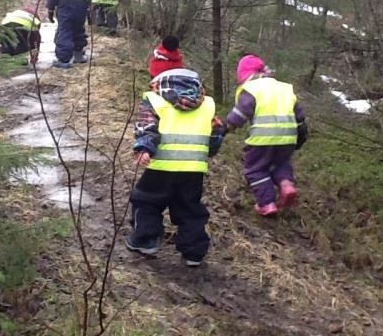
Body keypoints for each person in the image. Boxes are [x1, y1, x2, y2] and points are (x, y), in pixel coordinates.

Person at [126, 65, 226, 267]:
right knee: (189, 209)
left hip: (160, 166)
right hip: (193, 169)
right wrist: (211, 151)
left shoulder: (155, 99)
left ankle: (145, 241)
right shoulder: (207, 104)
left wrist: (144, 148)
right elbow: (216, 131)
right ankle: (194, 253)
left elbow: (146, 125)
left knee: (146, 201)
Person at [226, 55, 307, 217]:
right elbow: (299, 116)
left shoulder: (251, 89)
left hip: (262, 138)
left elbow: (241, 113)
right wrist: (301, 135)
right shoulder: (284, 88)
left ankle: (267, 203)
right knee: (280, 163)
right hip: (288, 137)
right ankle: (286, 185)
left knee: (255, 169)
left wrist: (226, 127)